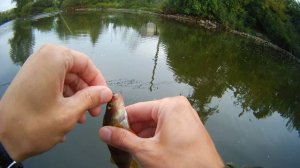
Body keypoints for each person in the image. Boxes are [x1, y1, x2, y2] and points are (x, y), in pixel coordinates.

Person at [0, 44, 224, 168]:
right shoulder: (120, 121)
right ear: (116, 115)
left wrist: (5, 147)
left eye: (110, 107)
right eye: (111, 108)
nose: (113, 104)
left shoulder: (120, 122)